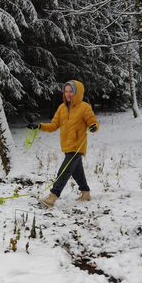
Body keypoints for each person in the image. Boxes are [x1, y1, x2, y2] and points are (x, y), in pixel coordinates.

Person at [27, 80, 99, 208]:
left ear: (78, 92)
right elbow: (54, 125)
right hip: (66, 146)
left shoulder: (84, 107)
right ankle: (85, 192)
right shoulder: (62, 108)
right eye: (66, 91)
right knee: (76, 171)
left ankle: (52, 197)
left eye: (71, 91)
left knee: (63, 171)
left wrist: (94, 127)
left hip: (77, 146)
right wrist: (39, 126)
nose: (68, 94)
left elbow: (92, 121)